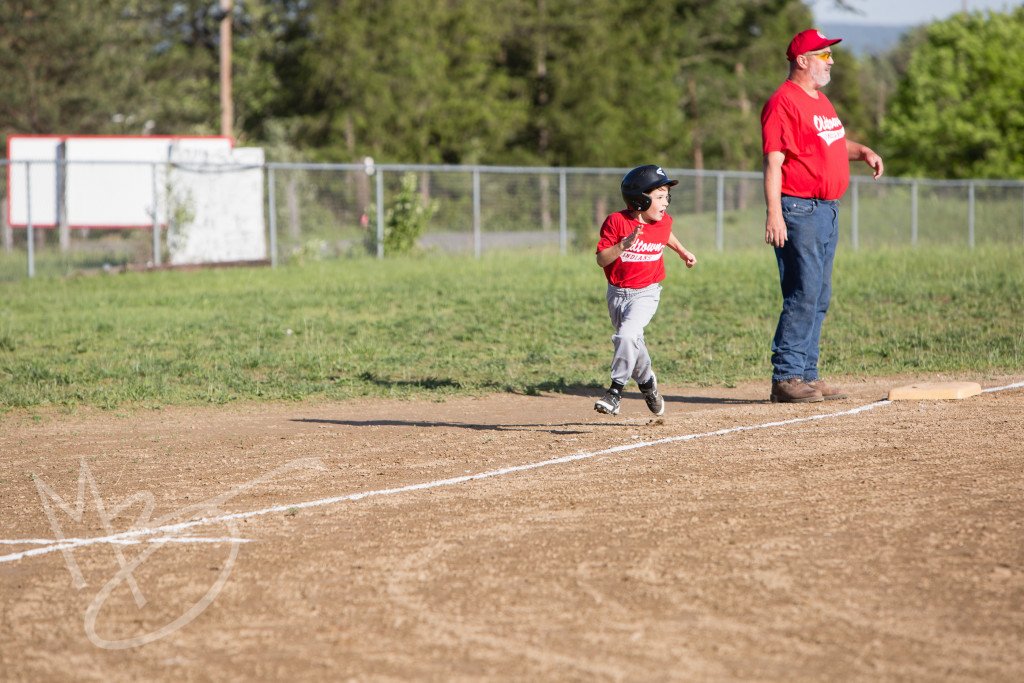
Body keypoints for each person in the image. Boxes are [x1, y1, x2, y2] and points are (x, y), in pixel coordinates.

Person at [761, 29, 884, 403]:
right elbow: (773, 162)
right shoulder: (783, 101)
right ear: (802, 60)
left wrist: (861, 151)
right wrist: (774, 214)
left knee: (819, 294)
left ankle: (807, 375)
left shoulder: (820, 101)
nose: (831, 60)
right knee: (804, 290)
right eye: (824, 55)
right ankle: (786, 377)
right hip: (799, 208)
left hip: (826, 210)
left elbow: (830, 142)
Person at [594, 165, 697, 416]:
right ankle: (648, 384)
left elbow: (666, 235)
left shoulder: (663, 221)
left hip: (646, 293)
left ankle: (615, 391)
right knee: (633, 341)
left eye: (666, 196)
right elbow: (601, 260)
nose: (666, 203)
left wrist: (683, 252)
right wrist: (623, 245)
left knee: (627, 336)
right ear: (640, 200)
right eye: (660, 197)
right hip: (617, 294)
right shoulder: (617, 222)